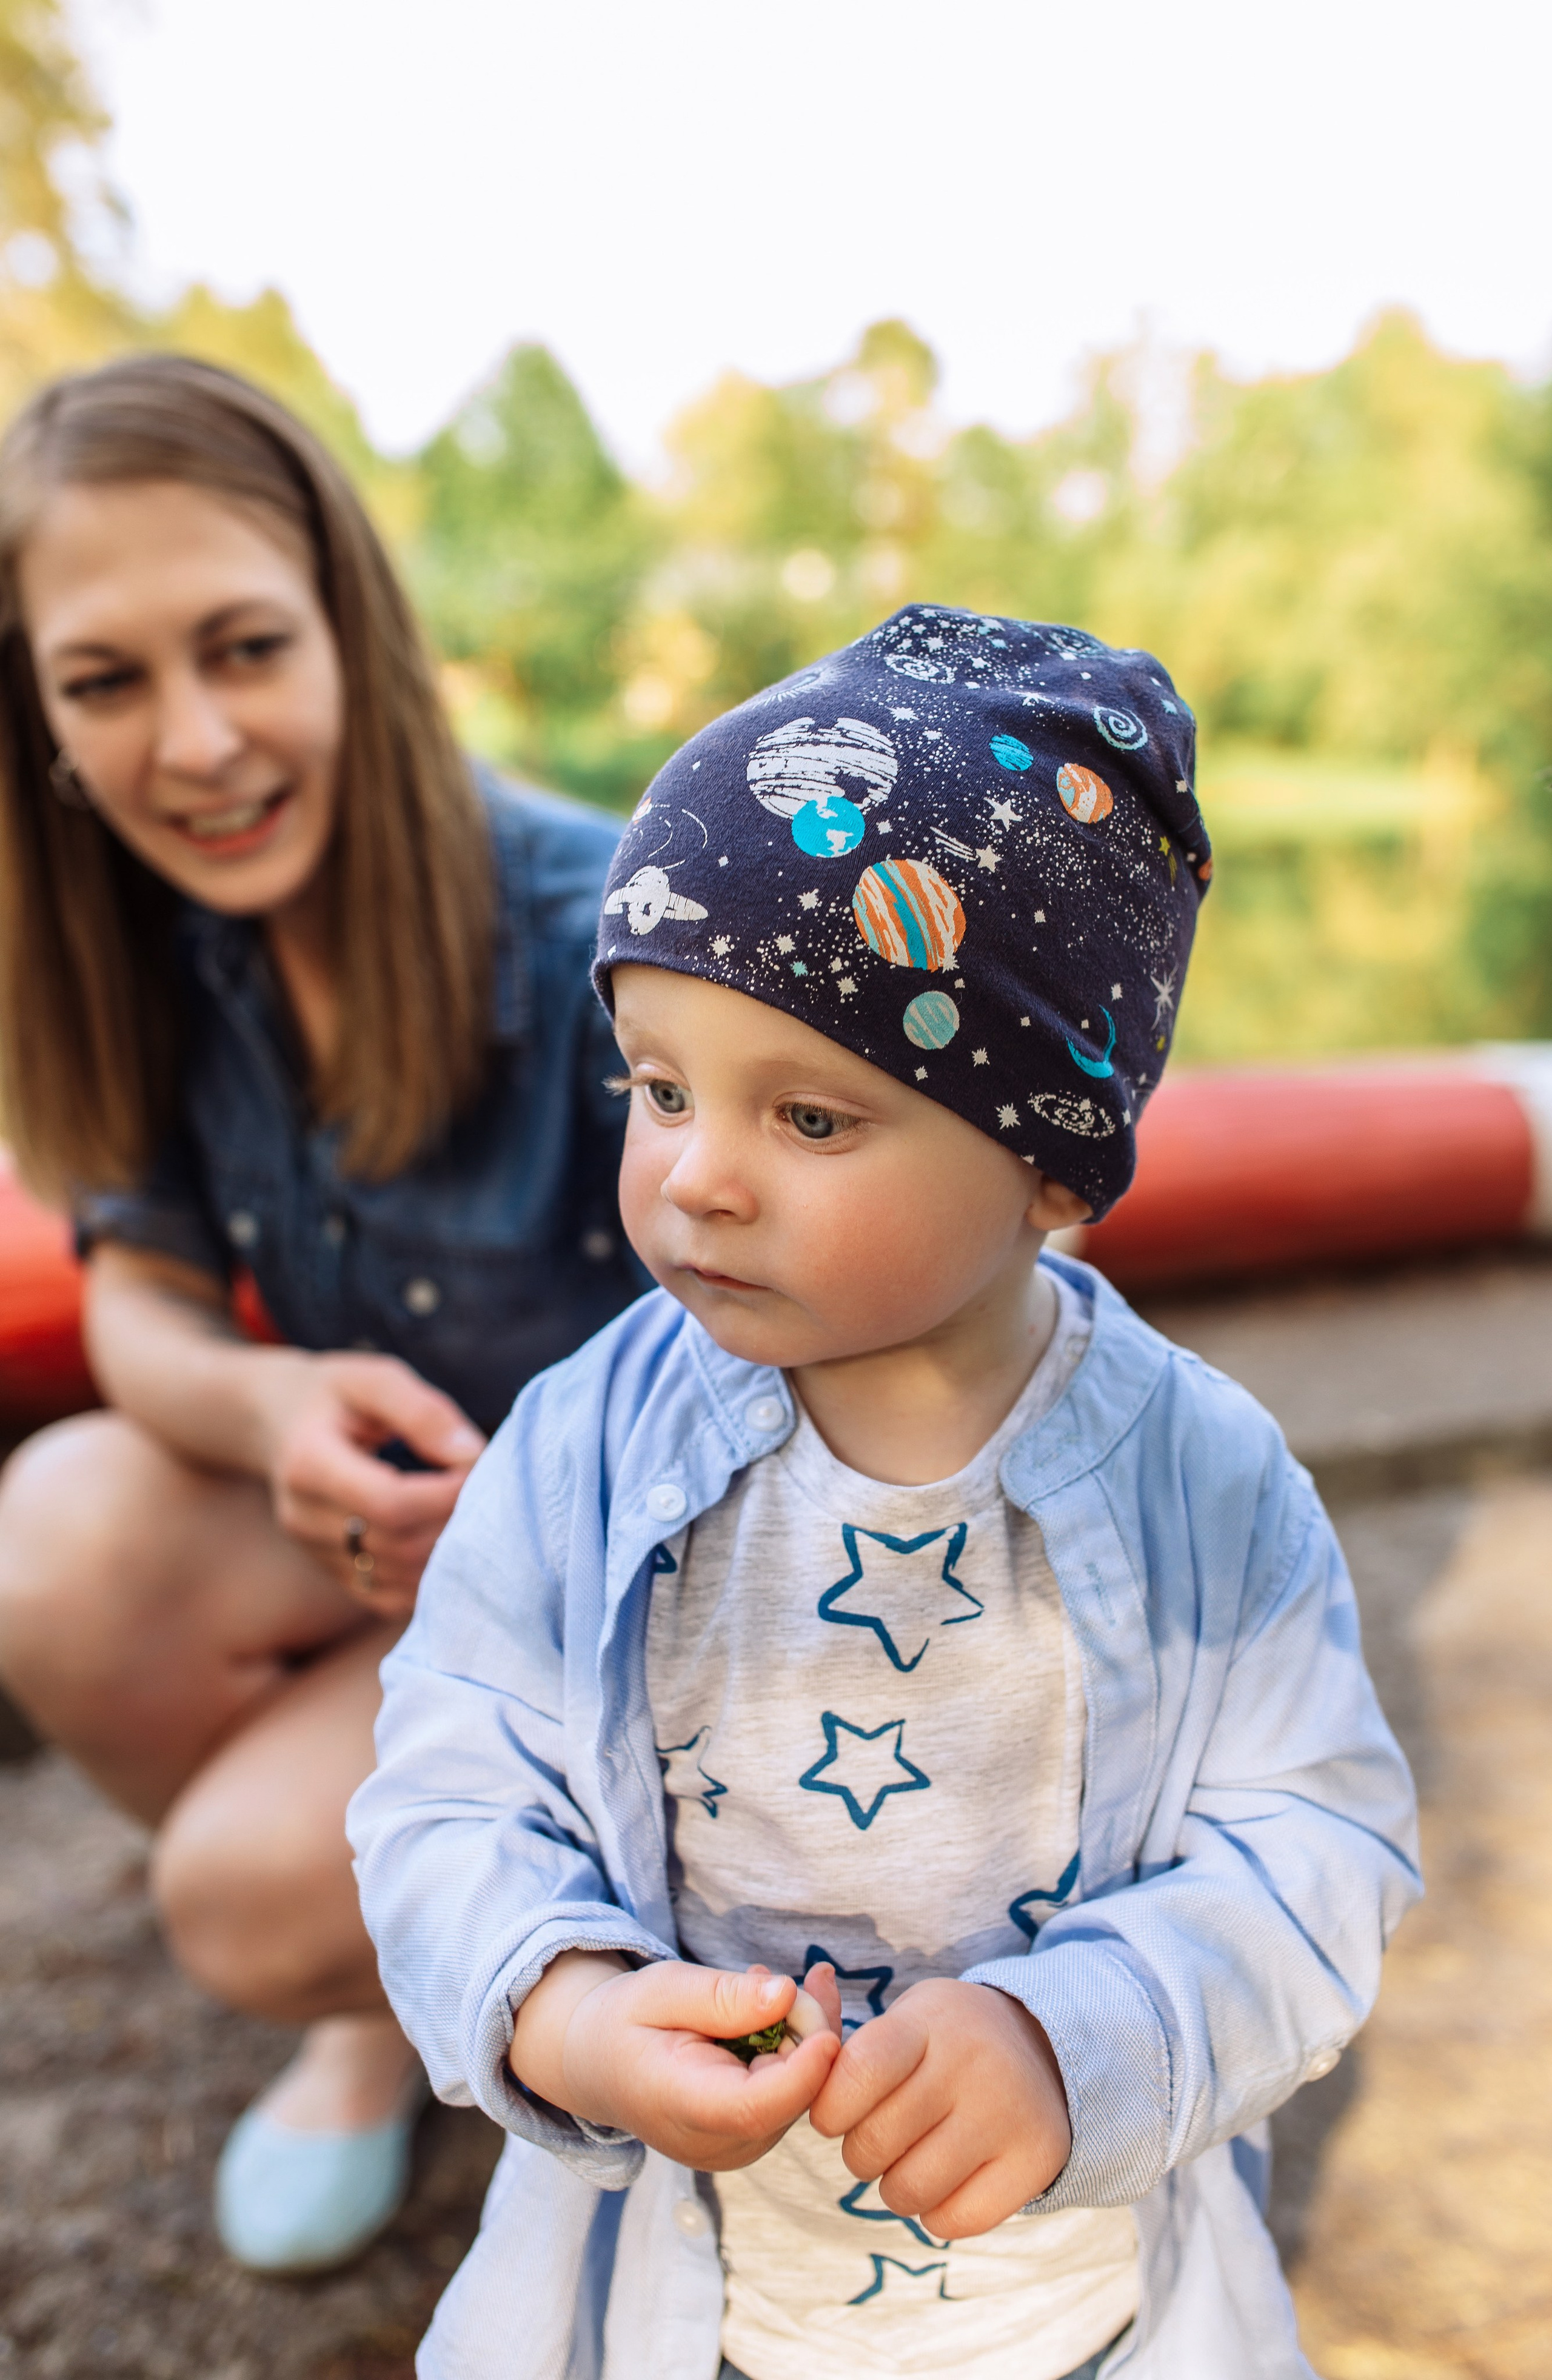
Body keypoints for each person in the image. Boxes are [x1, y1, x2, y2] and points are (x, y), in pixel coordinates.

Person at [349, 602, 1421, 2380]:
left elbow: (1318, 1848)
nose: (696, 1179)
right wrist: (569, 2010)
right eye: (660, 1088)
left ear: (1051, 1166)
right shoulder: (586, 1447)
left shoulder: (1201, 1480)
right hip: (681, 2315)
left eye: (811, 1120)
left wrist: (1080, 2038)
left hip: (1083, 2312)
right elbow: (450, 1788)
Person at [0, 354, 644, 2275]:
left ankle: (611, 1982)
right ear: (39, 718)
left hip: (659, 1606)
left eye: (245, 649)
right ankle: (402, 1999)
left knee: (243, 1892)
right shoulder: (138, 950)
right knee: (55, 1536)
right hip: (412, 1583)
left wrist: (531, 1512)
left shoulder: (603, 936)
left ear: (349, 626)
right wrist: (273, 1406)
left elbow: (853, 1376)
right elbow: (143, 1301)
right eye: (105, 681)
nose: (195, 743)